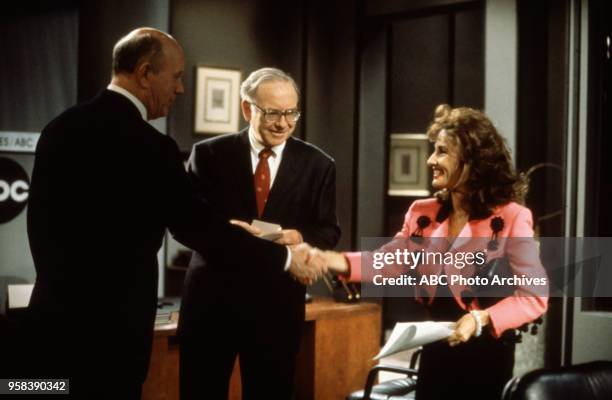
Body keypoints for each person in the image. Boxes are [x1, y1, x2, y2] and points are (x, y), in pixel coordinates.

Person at [26, 29, 324, 399]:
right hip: (112, 342)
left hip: (48, 328)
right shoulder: (152, 148)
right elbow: (197, 227)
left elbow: (40, 227)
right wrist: (281, 256)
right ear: (146, 72)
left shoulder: (58, 129)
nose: (180, 89)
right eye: (177, 76)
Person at [324, 104, 548, 400]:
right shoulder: (423, 213)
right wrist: (335, 261)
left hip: (486, 359)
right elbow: (390, 261)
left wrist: (480, 319)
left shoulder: (512, 217)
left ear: (472, 160)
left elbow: (534, 296)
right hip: (435, 354)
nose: (431, 160)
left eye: (442, 151)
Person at [178, 67, 341, 400]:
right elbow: (188, 227)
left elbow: (328, 232)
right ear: (246, 109)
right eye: (272, 113)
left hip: (276, 309)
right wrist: (226, 232)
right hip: (211, 306)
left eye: (291, 113)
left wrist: (295, 235)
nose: (283, 123)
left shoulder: (318, 165)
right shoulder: (209, 155)